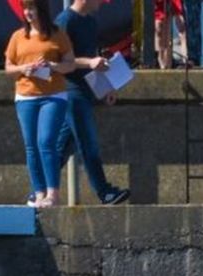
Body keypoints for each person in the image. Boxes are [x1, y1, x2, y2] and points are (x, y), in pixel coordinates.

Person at [55, 0, 131, 206]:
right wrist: (89, 63)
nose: (102, 2)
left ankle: (39, 190)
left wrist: (107, 87)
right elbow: (58, 60)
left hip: (87, 90)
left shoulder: (90, 22)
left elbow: (93, 59)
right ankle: (104, 192)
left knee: (62, 148)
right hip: (71, 91)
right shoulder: (65, 21)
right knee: (88, 143)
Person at [5, 0, 75, 208]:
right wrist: (24, 68)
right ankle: (39, 193)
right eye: (25, 9)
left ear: (41, 10)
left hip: (53, 95)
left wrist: (53, 65)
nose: (28, 13)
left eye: (32, 8)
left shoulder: (58, 34)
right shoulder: (18, 36)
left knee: (46, 142)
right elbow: (8, 67)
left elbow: (70, 64)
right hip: (26, 96)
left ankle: (53, 194)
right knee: (31, 146)